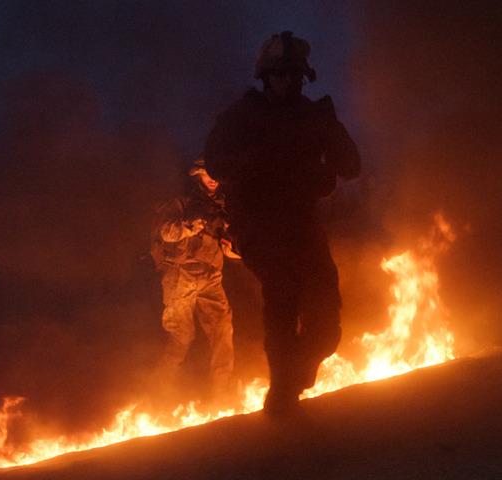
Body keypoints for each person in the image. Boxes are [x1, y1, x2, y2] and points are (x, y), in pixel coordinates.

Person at [202, 31, 360, 414]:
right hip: (259, 225)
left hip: (303, 224)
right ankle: (282, 395)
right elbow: (215, 163)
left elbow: (351, 166)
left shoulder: (315, 115)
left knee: (326, 324)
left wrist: (329, 139)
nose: (287, 81)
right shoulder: (241, 117)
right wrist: (258, 160)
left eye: (294, 75)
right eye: (279, 74)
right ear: (265, 76)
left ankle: (294, 378)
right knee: (283, 294)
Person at [151, 161, 240, 407]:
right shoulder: (180, 202)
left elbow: (227, 247)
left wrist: (238, 250)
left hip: (211, 277)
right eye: (209, 173)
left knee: (223, 331)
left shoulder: (220, 206)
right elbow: (165, 232)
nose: (214, 179)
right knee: (181, 336)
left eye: (217, 174)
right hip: (180, 277)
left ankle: (221, 396)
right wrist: (189, 226)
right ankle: (157, 398)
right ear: (198, 174)